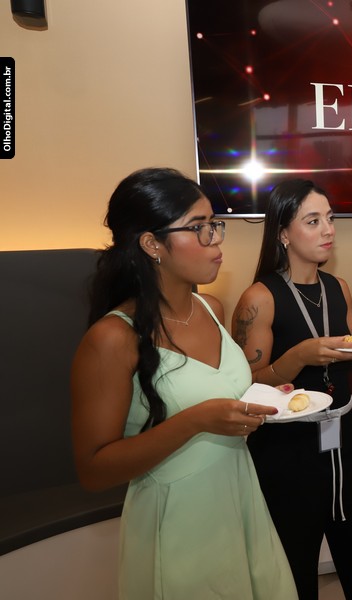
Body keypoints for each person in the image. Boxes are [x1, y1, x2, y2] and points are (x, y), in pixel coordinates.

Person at [70, 168, 298, 599]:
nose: (216, 240)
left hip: (238, 494)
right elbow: (94, 470)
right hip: (177, 516)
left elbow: (217, 393)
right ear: (152, 244)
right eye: (199, 228)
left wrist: (261, 398)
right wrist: (196, 421)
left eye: (215, 224)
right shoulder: (113, 338)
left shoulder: (211, 307)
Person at [231, 178, 352, 599]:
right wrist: (298, 357)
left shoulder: (337, 287)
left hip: (346, 441)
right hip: (286, 453)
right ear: (283, 233)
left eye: (330, 218)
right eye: (313, 221)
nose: (328, 230)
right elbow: (244, 386)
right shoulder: (260, 297)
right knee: (290, 577)